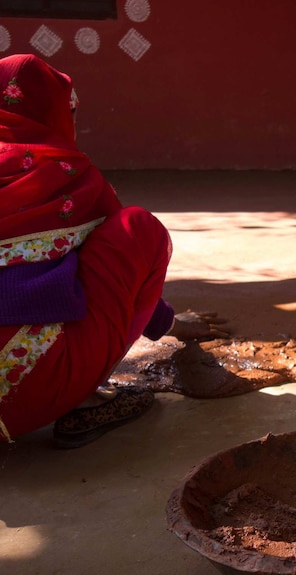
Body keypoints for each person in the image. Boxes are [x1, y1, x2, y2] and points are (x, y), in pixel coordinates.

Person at [0, 54, 228, 448]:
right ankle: (84, 400)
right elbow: (118, 269)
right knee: (137, 229)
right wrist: (169, 324)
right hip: (25, 398)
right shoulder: (66, 176)